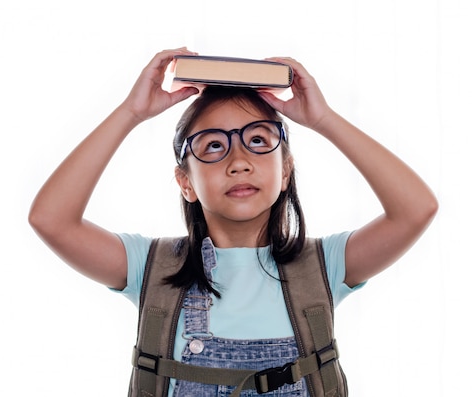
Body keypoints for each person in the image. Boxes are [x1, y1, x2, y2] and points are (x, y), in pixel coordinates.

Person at [29, 47, 438, 396]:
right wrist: (131, 112)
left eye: (258, 140)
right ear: (186, 182)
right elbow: (51, 219)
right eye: (213, 146)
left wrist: (324, 119)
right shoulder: (150, 266)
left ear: (285, 171)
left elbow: (416, 209)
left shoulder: (324, 265)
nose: (238, 161)